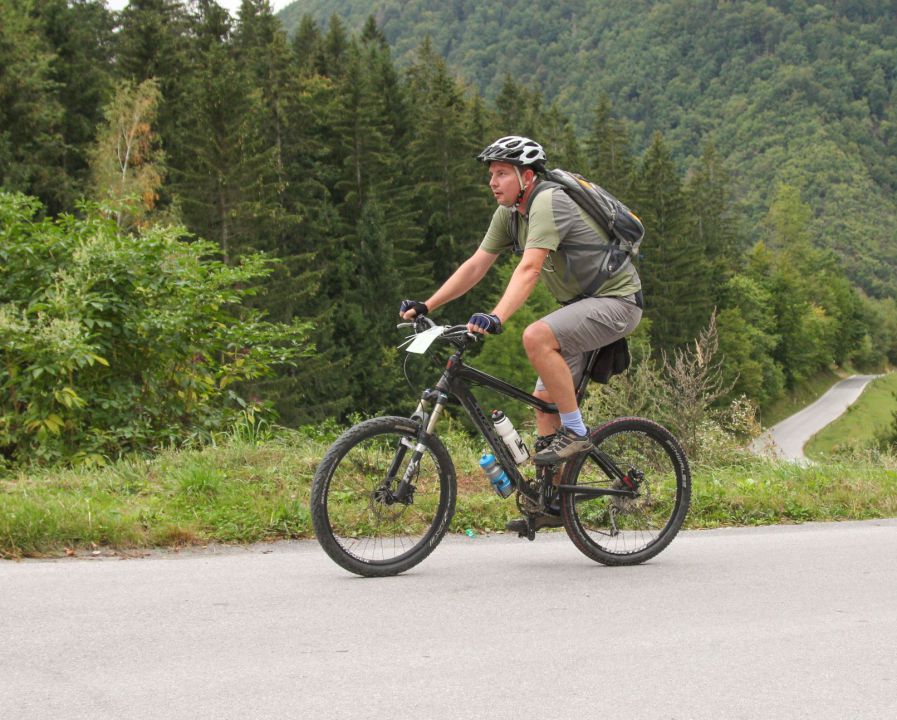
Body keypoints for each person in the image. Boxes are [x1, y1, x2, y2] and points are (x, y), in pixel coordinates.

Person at [399, 135, 642, 533]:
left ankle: (578, 434)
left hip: (617, 302)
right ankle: (553, 503)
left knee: (535, 337)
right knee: (545, 401)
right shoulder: (511, 213)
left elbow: (529, 269)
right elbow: (476, 265)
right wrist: (428, 304)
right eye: (490, 175)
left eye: (501, 174)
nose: (492, 182)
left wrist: (496, 316)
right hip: (581, 307)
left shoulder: (547, 202)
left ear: (526, 176)